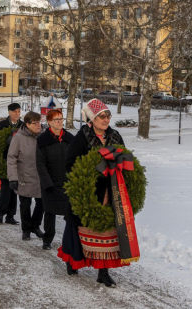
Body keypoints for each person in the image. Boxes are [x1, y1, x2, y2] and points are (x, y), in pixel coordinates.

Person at [59, 99, 126, 287]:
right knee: (79, 229)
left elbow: (124, 157)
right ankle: (72, 260)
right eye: (102, 116)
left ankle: (103, 272)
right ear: (91, 119)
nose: (106, 120)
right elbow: (70, 164)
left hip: (109, 192)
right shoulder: (82, 137)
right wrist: (94, 171)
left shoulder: (115, 136)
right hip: (86, 193)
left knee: (106, 231)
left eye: (108, 116)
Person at [35, 109, 75, 251]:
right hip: (50, 183)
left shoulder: (70, 139)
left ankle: (69, 241)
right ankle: (47, 239)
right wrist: (47, 184)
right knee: (50, 212)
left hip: (67, 182)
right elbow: (40, 164)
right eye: (56, 119)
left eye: (61, 119)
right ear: (49, 122)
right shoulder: (42, 140)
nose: (60, 122)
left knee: (69, 213)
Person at [8, 111, 48, 243]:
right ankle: (26, 229)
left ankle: (35, 226)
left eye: (39, 122)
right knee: (25, 204)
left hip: (40, 177)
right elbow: (11, 158)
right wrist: (13, 178)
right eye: (35, 123)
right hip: (24, 176)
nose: (38, 125)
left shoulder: (44, 135)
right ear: (27, 124)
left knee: (41, 203)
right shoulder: (18, 137)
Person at [0, 103, 24, 225]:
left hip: (18, 163)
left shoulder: (22, 126)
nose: (17, 114)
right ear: (9, 112)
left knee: (14, 189)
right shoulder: (0, 125)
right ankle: (1, 214)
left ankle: (10, 216)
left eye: (18, 111)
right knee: (5, 189)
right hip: (4, 162)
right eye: (14, 111)